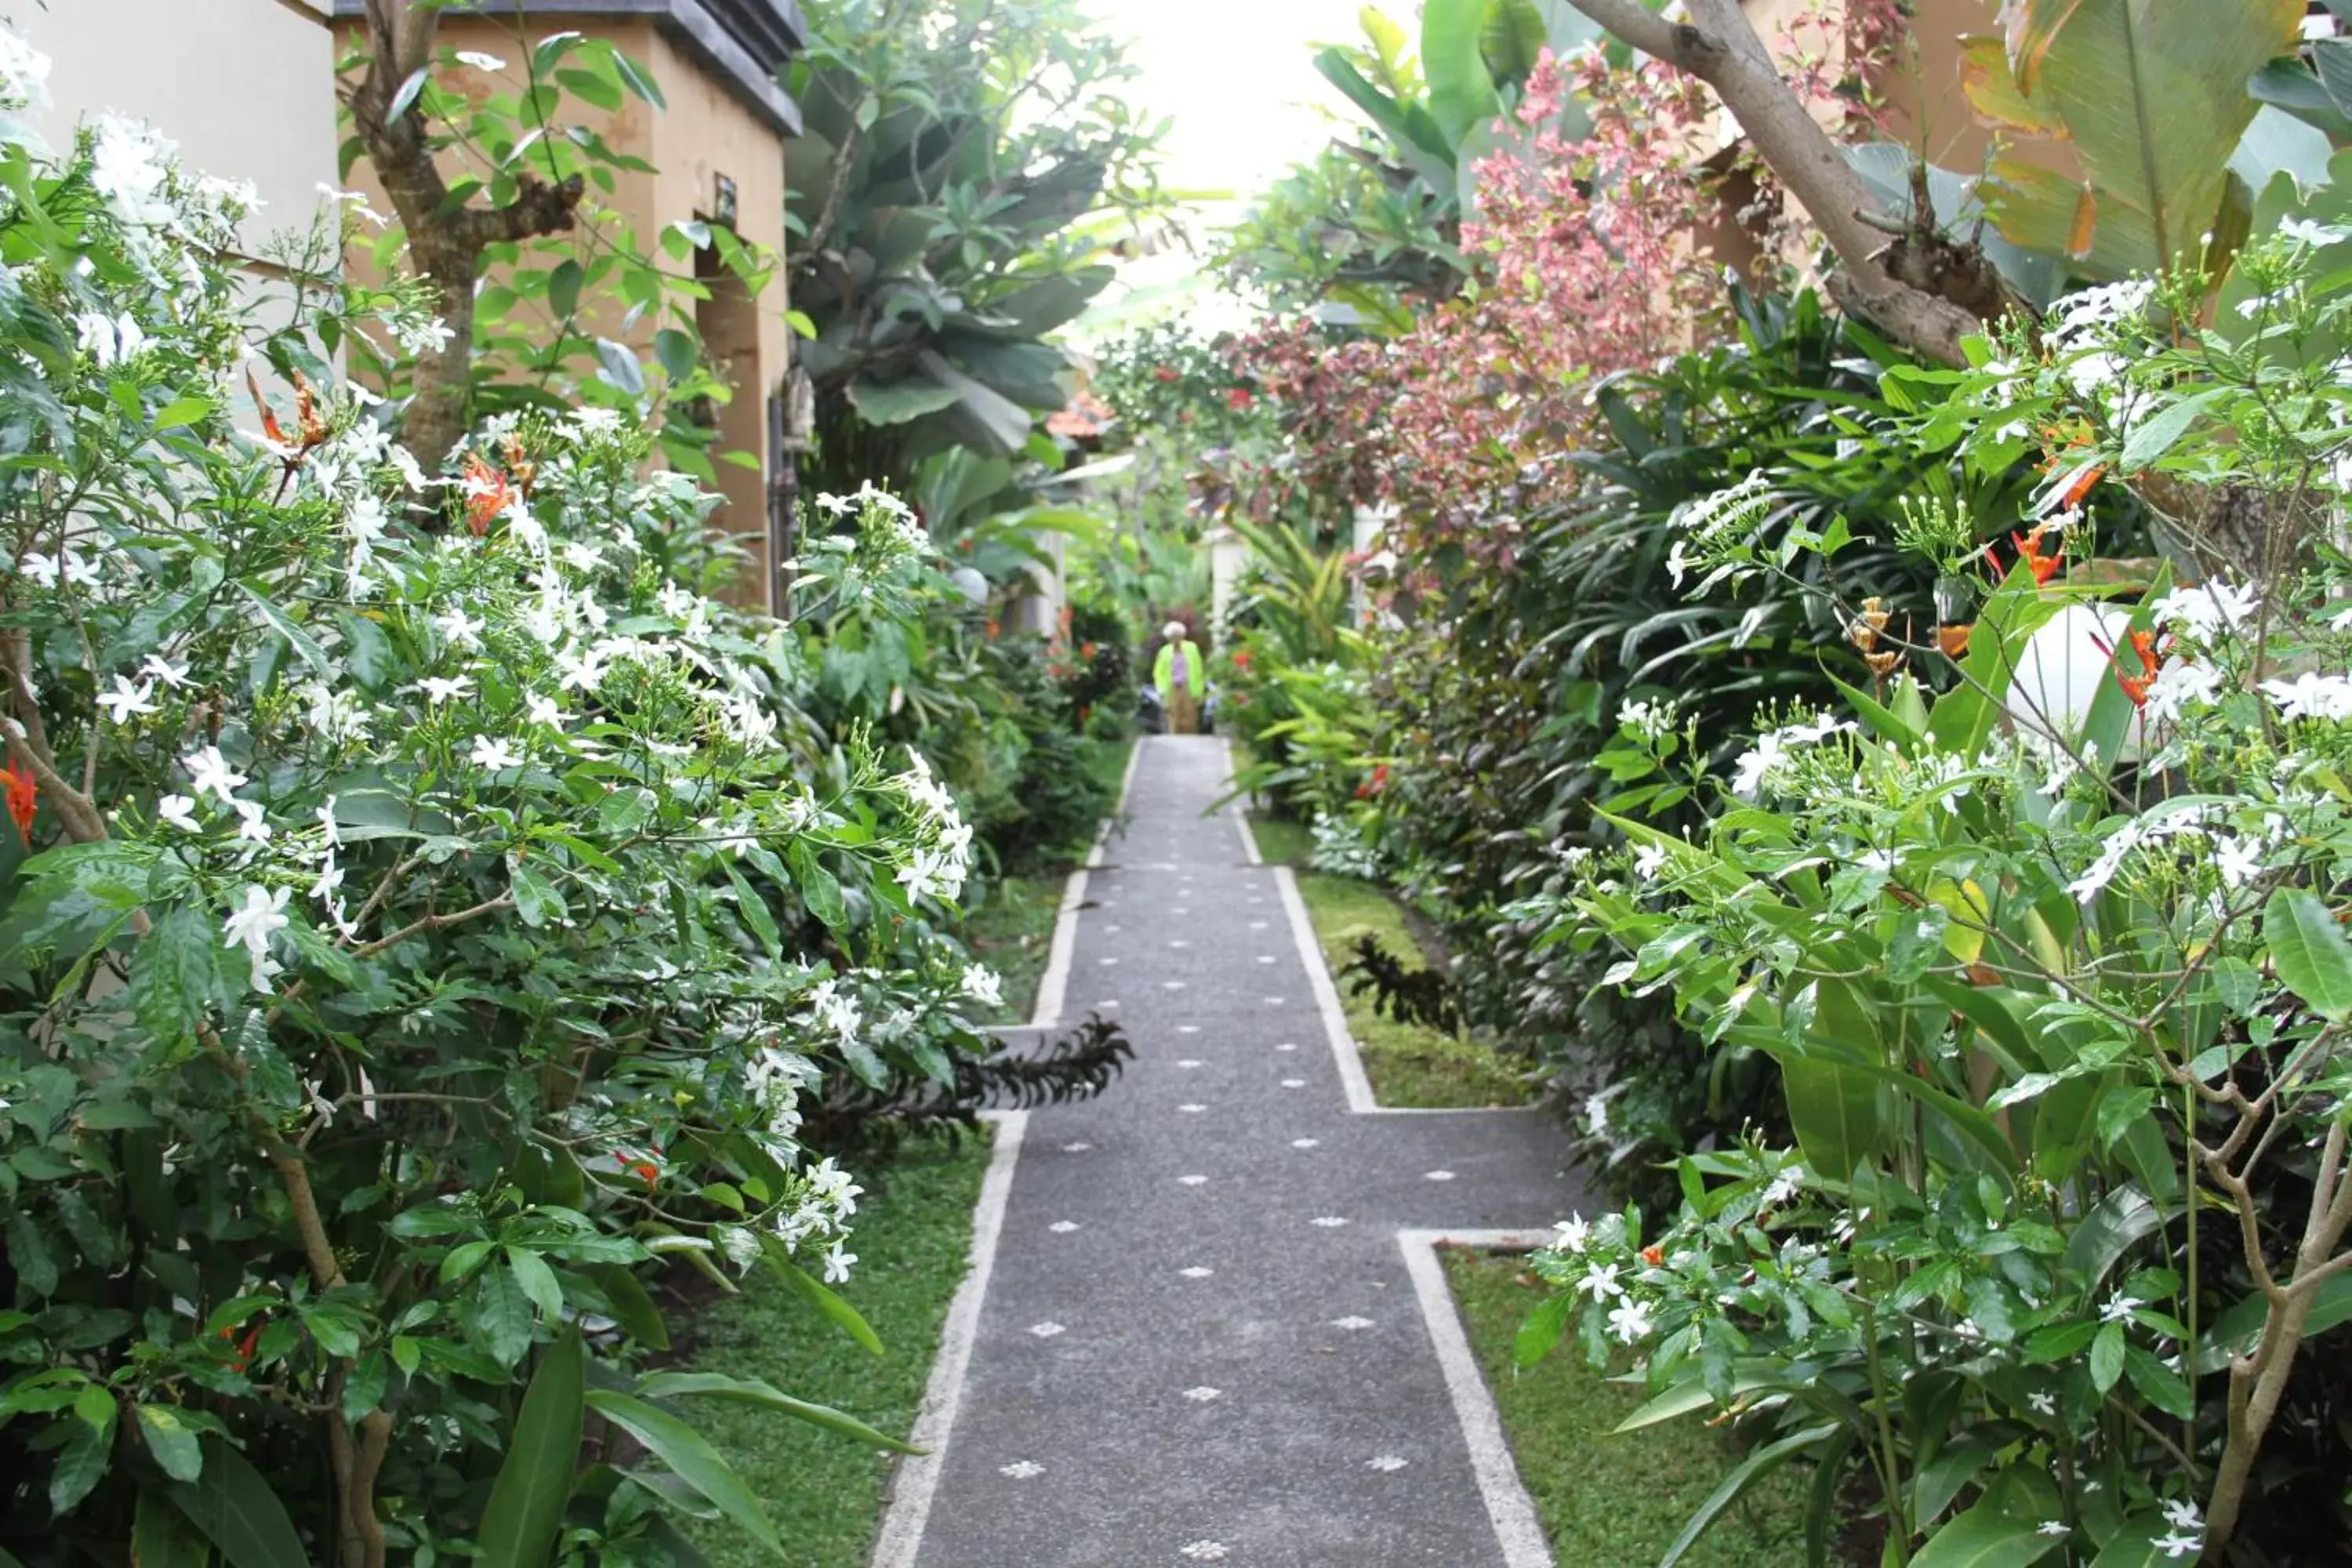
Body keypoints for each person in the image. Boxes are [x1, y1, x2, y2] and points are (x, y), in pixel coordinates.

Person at [1152, 619, 1205, 735]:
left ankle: (1191, 742)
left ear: (1182, 636)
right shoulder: (1164, 651)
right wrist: (1161, 690)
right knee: (1174, 717)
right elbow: (1158, 672)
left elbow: (1199, 670)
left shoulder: (1192, 649)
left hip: (1188, 687)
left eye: (1177, 636)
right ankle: (1176, 742)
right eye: (1172, 637)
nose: (1175, 639)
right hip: (1172, 688)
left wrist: (1200, 692)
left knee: (1190, 717)